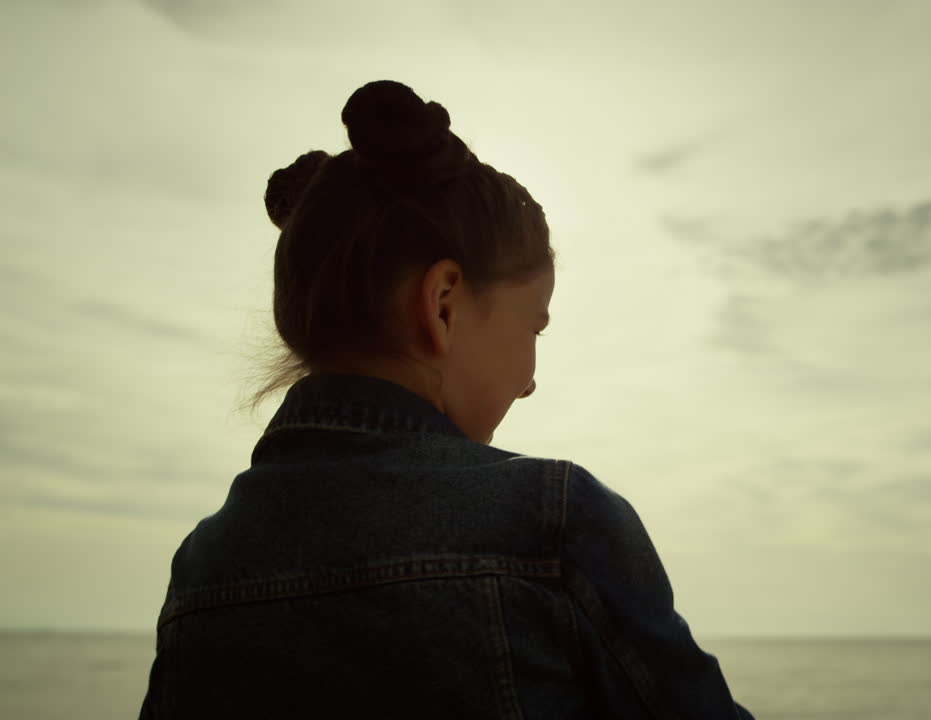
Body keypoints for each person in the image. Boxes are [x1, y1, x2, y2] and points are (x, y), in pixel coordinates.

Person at [138, 79, 754, 719]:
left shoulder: (206, 564)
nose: (531, 379)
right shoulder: (551, 525)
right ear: (443, 303)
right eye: (533, 327)